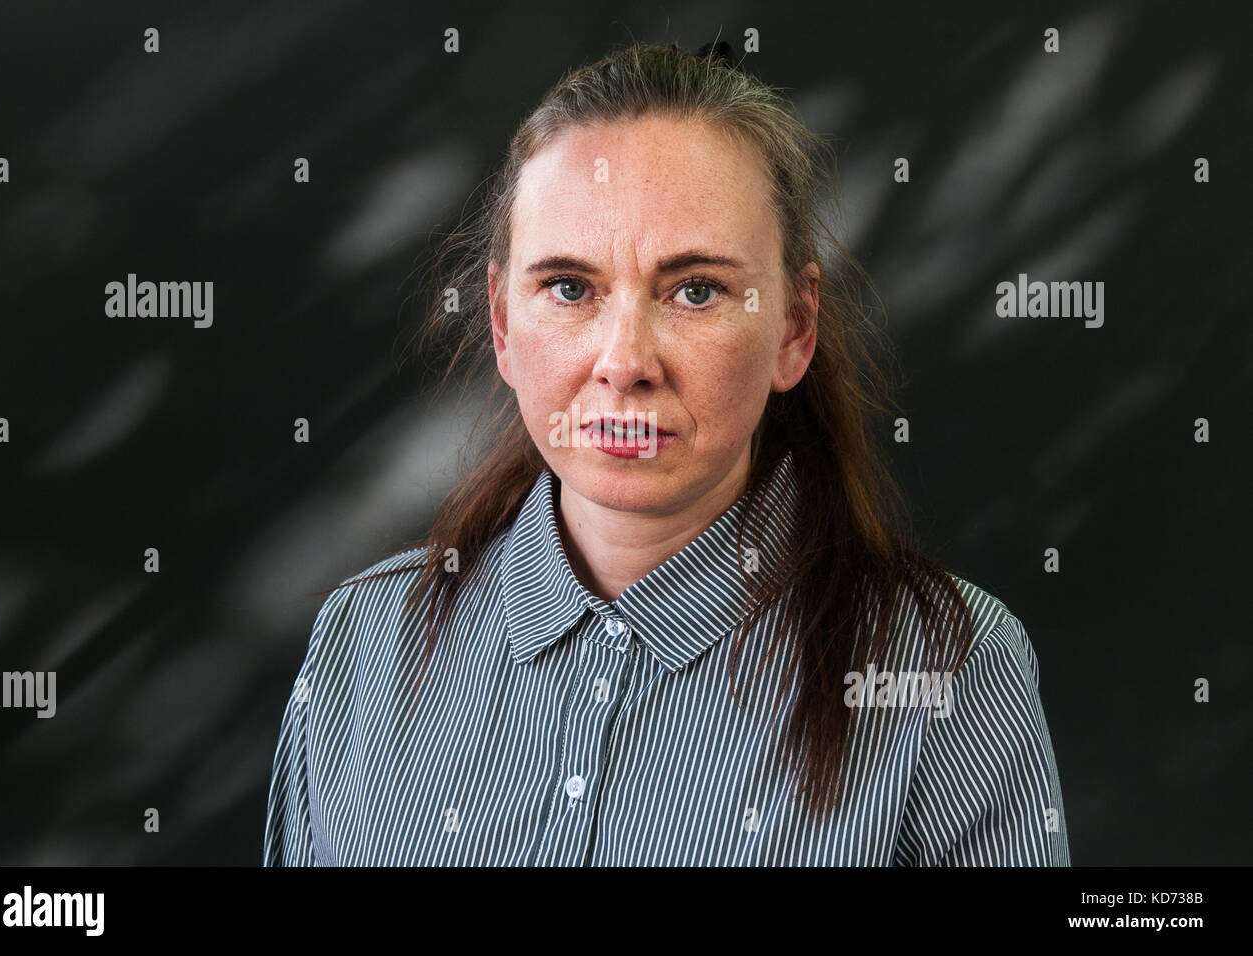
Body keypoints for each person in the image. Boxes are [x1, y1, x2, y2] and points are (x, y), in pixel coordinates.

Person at [262, 40, 1070, 866]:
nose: (625, 362)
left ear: (794, 327)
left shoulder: (944, 669)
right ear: (504, 324)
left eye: (695, 291)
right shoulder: (362, 643)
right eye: (570, 288)